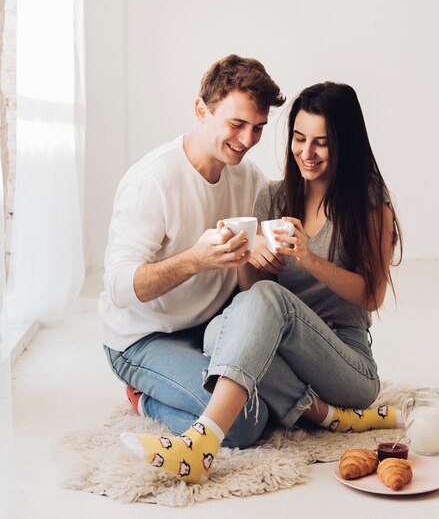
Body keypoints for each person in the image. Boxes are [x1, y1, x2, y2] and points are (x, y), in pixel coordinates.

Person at [122, 81, 404, 484]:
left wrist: (309, 258)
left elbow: (371, 296)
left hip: (345, 358)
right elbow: (250, 293)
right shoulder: (272, 198)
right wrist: (245, 255)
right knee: (217, 331)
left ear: (345, 143)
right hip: (283, 357)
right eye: (299, 138)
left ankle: (204, 439)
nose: (306, 153)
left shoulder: (370, 203)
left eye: (321, 143)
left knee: (252, 311)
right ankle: (324, 415)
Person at [99, 54, 286, 449]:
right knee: (246, 423)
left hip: (208, 329)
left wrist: (261, 250)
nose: (248, 140)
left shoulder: (248, 176)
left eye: (258, 128)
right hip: (142, 339)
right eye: (237, 124)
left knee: (287, 398)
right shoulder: (152, 181)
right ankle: (144, 399)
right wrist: (195, 260)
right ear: (201, 110)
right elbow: (119, 287)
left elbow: (255, 267)